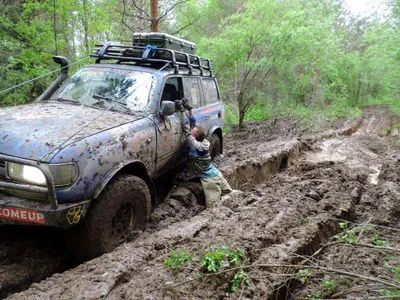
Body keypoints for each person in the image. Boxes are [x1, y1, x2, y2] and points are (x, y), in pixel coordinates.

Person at [175, 99, 233, 207]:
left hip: (210, 179)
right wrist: (190, 109)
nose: (193, 129)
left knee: (213, 206)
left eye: (193, 131)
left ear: (194, 137)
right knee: (232, 194)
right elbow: (193, 124)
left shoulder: (195, 146)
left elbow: (186, 128)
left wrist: (182, 111)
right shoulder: (204, 141)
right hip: (215, 173)